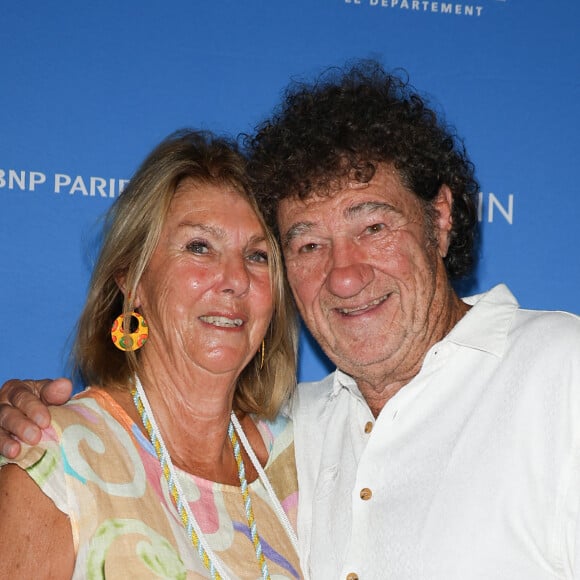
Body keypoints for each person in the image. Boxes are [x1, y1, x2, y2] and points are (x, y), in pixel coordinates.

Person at [2, 61, 580, 579]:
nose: (345, 276)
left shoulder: (561, 373)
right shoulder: (301, 432)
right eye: (307, 245)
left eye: (373, 227)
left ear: (441, 216)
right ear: (130, 281)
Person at [0, 129, 302, 579]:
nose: (235, 278)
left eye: (258, 256)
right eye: (199, 247)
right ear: (132, 279)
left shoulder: (299, 460)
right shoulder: (55, 456)